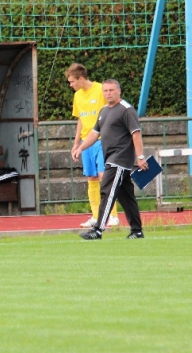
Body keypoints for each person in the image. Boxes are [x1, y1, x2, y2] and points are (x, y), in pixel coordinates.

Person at [72, 79, 146, 240]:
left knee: (107, 190)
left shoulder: (126, 110)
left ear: (119, 91)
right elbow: (94, 134)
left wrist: (140, 157)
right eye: (105, 91)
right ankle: (137, 230)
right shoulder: (104, 110)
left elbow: (136, 133)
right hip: (110, 158)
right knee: (126, 196)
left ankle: (98, 229)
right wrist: (80, 147)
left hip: (119, 159)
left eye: (111, 90)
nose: (108, 93)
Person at [66, 63, 120, 228]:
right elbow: (81, 119)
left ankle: (112, 215)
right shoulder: (77, 97)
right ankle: (97, 216)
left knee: (105, 176)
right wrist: (76, 143)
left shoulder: (100, 90)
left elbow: (113, 109)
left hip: (102, 140)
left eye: (72, 82)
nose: (70, 85)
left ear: (81, 79)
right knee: (92, 178)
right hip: (86, 142)